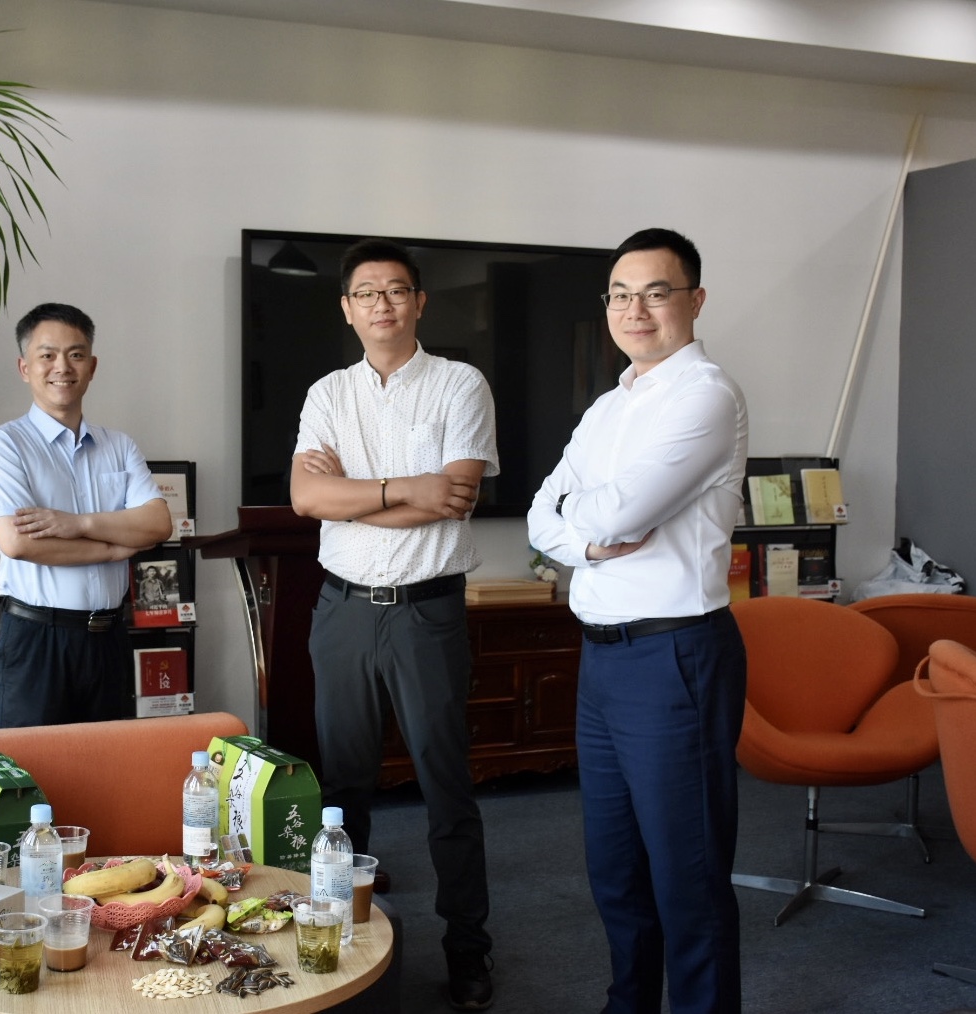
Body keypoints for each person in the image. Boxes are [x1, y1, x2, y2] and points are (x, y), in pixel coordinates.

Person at [526, 227, 749, 1014]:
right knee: (615, 870)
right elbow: (541, 517)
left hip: (673, 658)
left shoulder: (705, 396)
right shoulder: (606, 406)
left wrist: (583, 521)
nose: (635, 310)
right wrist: (587, 539)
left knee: (686, 874)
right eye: (620, 295)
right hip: (603, 662)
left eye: (655, 292)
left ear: (694, 299)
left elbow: (619, 512)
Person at [290, 238, 498, 1011]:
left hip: (425, 613)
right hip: (342, 610)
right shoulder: (327, 393)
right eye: (366, 293)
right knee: (341, 788)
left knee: (446, 788)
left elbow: (455, 496)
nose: (382, 304)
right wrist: (407, 488)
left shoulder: (459, 384)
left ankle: (468, 952)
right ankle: (339, 946)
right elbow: (306, 499)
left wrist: (353, 494)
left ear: (419, 303)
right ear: (347, 309)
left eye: (396, 290)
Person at [0, 302, 172, 727]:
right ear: (25, 367)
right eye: (47, 355)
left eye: (76, 354)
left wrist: (77, 524)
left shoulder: (119, 446)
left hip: (109, 640)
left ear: (92, 366)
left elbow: (157, 524)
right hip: (37, 640)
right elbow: (19, 543)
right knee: (32, 764)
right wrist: (114, 548)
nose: (62, 367)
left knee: (110, 762)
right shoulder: (3, 446)